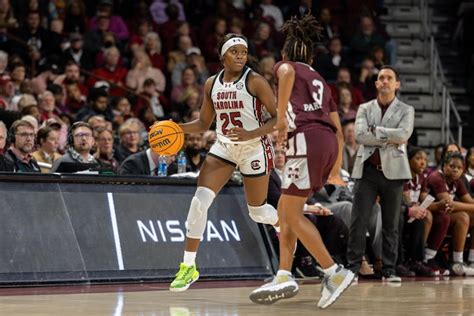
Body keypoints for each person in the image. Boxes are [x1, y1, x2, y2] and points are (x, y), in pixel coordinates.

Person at [249, 15, 354, 309]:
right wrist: (334, 169)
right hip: (326, 144)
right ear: (309, 55)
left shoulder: (287, 67)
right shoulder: (321, 80)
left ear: (286, 54)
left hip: (306, 141)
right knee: (285, 211)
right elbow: (339, 130)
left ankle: (334, 272)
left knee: (293, 215)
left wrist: (281, 120)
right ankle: (284, 274)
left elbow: (283, 75)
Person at [168, 33, 280, 292]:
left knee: (258, 212)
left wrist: (251, 134)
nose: (240, 55)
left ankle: (285, 224)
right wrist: (174, 129)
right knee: (199, 203)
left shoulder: (255, 81)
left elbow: (278, 119)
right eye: (235, 51)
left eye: (243, 51)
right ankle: (188, 267)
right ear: (222, 56)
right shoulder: (211, 83)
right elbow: (203, 124)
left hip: (254, 147)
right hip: (224, 147)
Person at [346, 65, 414, 283]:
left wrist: (376, 131)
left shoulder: (406, 110)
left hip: (394, 174)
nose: (385, 81)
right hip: (367, 172)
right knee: (359, 221)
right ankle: (353, 267)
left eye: (389, 78)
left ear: (397, 84)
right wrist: (388, 136)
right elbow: (359, 135)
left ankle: (389, 269)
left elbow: (403, 135)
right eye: (381, 78)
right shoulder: (365, 108)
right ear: (376, 84)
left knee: (391, 224)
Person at [423, 152, 474, 275]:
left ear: (463, 170)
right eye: (452, 166)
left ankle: (468, 261)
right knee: (462, 217)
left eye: (459, 168)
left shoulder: (457, 181)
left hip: (443, 215)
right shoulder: (437, 178)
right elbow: (448, 204)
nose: (455, 170)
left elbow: (470, 201)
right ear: (444, 166)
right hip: (429, 214)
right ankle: (451, 261)